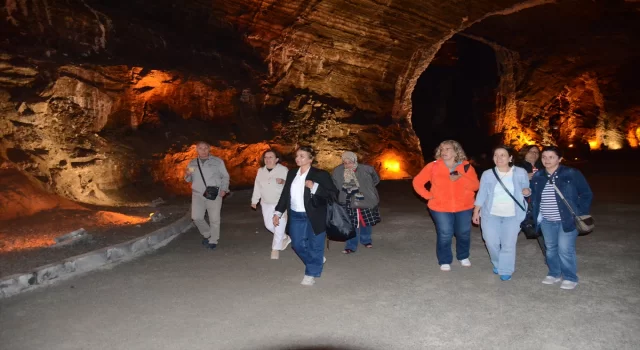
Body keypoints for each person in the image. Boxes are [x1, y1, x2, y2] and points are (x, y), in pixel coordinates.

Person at [273, 146, 339, 286]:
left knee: (315, 245)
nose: (298, 159)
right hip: (296, 214)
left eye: (302, 156)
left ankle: (311, 273)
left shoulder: (320, 174)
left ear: (311, 159)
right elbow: (285, 194)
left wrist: (315, 187)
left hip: (315, 215)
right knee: (297, 244)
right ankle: (316, 260)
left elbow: (333, 194)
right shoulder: (292, 174)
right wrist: (278, 212)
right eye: (297, 156)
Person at [530, 146, 593, 290]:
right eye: (544, 157)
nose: (547, 160)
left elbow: (586, 193)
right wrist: (528, 192)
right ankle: (554, 273)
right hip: (546, 219)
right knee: (551, 248)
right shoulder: (538, 176)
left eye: (551, 157)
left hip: (567, 219)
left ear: (559, 159)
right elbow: (534, 196)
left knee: (565, 249)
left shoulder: (571, 173)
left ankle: (570, 277)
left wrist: (580, 212)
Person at [412, 140, 480, 271]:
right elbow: (417, 182)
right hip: (440, 207)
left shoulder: (466, 167)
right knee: (445, 233)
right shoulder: (433, 166)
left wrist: (461, 177)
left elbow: (476, 186)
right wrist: (428, 196)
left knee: (464, 233)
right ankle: (444, 260)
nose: (444, 151)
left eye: (448, 149)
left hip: (464, 206)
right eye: (442, 149)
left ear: (456, 151)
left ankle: (463, 256)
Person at [472, 146, 531, 281]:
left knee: (508, 244)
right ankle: (498, 263)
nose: (499, 158)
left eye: (502, 155)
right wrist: (476, 211)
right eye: (496, 155)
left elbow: (527, 188)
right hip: (490, 214)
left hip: (513, 215)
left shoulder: (520, 172)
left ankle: (505, 269)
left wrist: (527, 191)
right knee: (490, 241)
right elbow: (481, 194)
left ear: (510, 158)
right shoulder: (488, 174)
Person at [331, 151, 381, 254]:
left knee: (365, 221)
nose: (348, 164)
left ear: (355, 160)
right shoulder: (338, 171)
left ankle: (366, 240)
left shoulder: (366, 169)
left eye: (350, 161)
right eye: (345, 162)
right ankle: (351, 245)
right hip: (347, 199)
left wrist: (367, 189)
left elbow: (376, 180)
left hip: (364, 198)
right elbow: (335, 184)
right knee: (351, 223)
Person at [184, 141, 230, 249]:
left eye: (205, 148)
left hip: (214, 192)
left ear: (209, 149)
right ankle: (207, 233)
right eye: (200, 148)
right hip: (197, 194)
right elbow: (188, 179)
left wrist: (224, 189)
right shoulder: (192, 163)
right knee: (196, 217)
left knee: (214, 218)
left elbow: (225, 176)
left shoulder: (217, 162)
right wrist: (187, 174)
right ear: (197, 150)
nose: (203, 150)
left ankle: (213, 240)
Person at [251, 149, 291, 259]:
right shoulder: (260, 171)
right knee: (269, 225)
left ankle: (275, 249)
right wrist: (255, 200)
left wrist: (283, 182)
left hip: (280, 203)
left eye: (271, 157)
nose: (268, 159)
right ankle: (284, 237)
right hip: (266, 202)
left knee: (278, 225)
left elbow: (290, 185)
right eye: (266, 157)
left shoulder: (283, 170)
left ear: (277, 159)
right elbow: (257, 186)